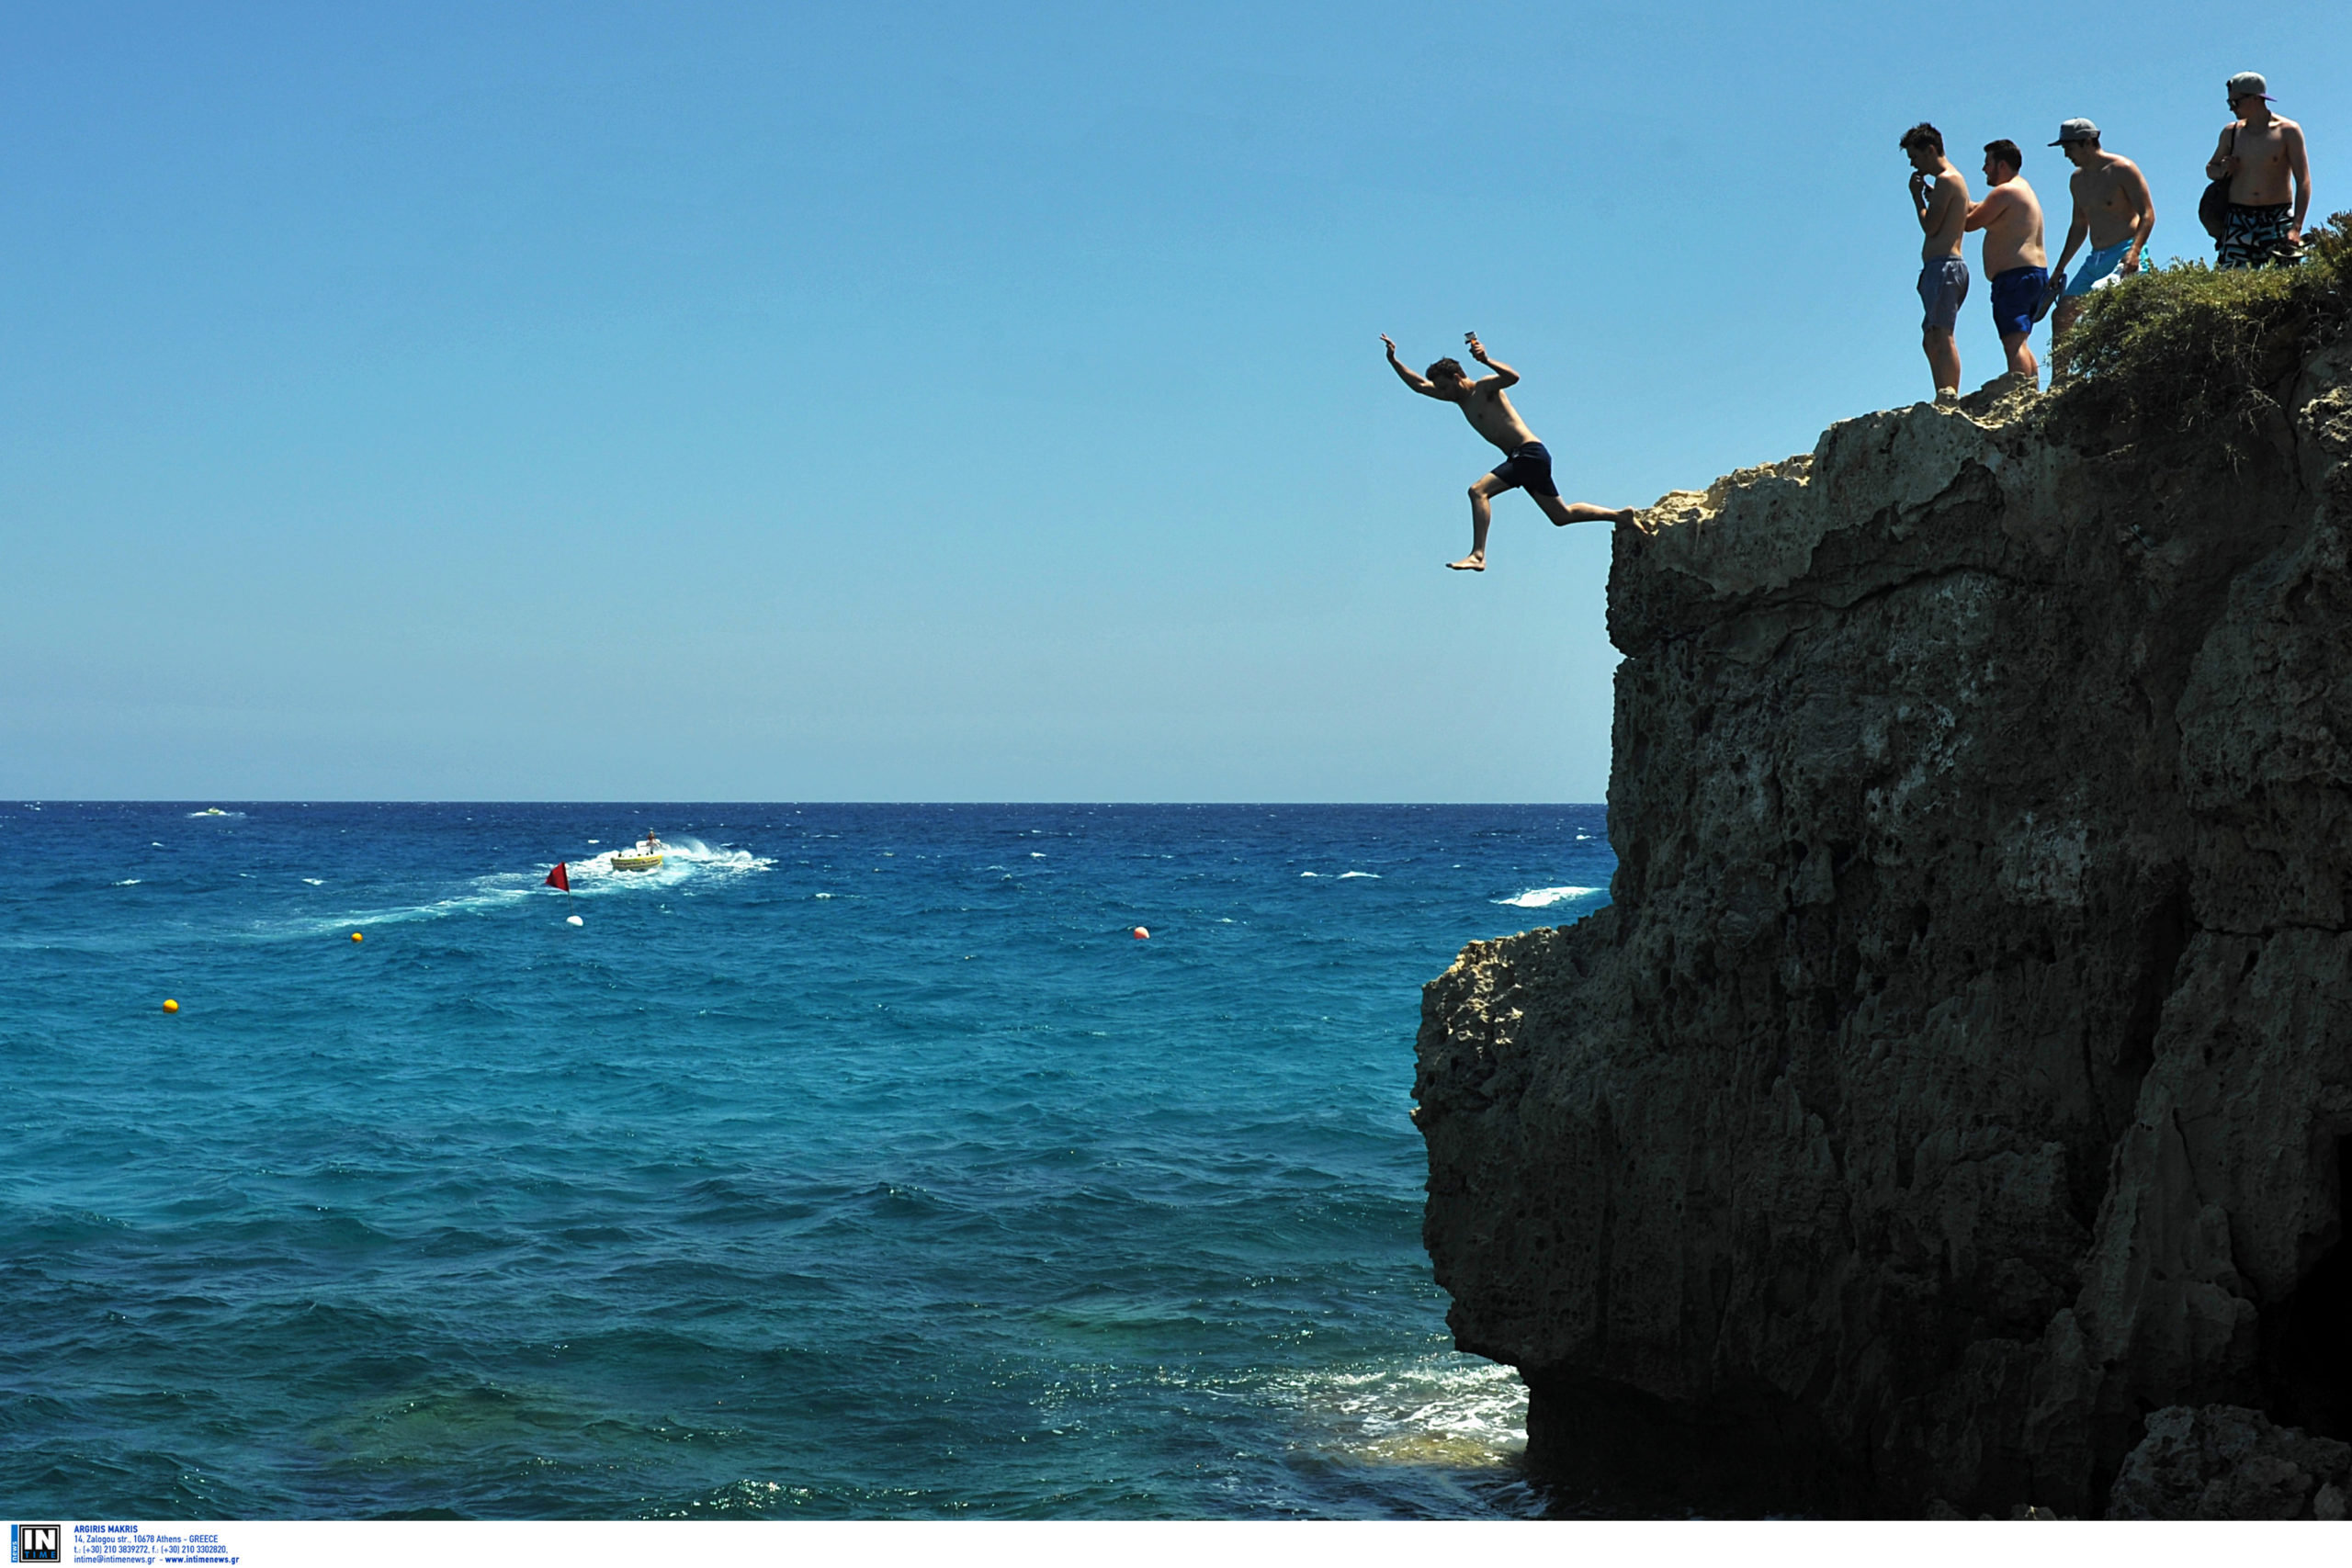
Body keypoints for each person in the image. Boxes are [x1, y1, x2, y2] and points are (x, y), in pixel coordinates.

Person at [1380, 333, 1636, 571]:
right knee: (1561, 516)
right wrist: (1394, 360)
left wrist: (1487, 360)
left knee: (1478, 491)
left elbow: (1513, 378)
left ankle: (1478, 555)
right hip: (1525, 458)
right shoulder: (1458, 399)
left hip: (1528, 453)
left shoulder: (1485, 388)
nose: (1442, 394)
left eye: (1445, 387)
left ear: (1458, 378)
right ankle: (1620, 515)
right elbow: (1419, 386)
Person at [2046, 119, 2154, 382]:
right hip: (2094, 259)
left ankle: (2134, 376)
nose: (2066, 154)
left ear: (2087, 142)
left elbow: (2147, 214)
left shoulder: (2122, 169)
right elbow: (2079, 226)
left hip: (2125, 252)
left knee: (2128, 318)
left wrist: (2135, 251)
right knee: (2062, 314)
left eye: (2069, 147)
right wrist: (2060, 268)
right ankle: (2059, 381)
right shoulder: (2077, 180)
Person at [1962, 139, 2048, 389]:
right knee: (2020, 341)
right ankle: (2030, 394)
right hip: (2031, 275)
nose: (1983, 169)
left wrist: (1951, 199)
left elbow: (1970, 222)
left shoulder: (2005, 192)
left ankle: (2019, 396)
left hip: (2015, 278)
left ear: (2001, 165)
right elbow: (1981, 209)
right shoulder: (2022, 190)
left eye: (1987, 163)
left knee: (2013, 343)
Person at [2208, 72, 2311, 269]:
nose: (2231, 108)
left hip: (2278, 216)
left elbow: (2303, 180)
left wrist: (2296, 228)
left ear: (2255, 98)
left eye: (2235, 102)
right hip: (2239, 218)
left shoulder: (2288, 131)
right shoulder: (2232, 133)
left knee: (2287, 283)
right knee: (2234, 283)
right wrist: (2223, 170)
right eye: (2229, 103)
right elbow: (2210, 169)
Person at [1902, 123, 1970, 401]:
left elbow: (1931, 226)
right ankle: (1942, 392)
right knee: (1931, 337)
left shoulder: (1947, 179)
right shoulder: (1946, 183)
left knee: (1942, 334)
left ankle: (1949, 395)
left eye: (1915, 157)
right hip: (1937, 267)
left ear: (1930, 150)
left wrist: (1917, 197)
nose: (1912, 164)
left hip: (1945, 266)